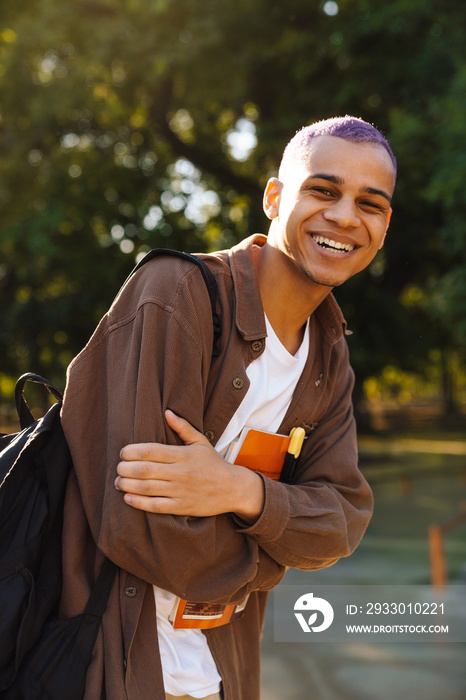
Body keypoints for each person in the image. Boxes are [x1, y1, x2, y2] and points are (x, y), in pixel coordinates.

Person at [60, 115, 396, 700]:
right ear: (274, 196)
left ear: (384, 225)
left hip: (219, 676)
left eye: (370, 203)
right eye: (323, 190)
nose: (344, 216)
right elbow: (140, 527)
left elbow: (342, 519)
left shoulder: (329, 358)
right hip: (111, 666)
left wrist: (243, 493)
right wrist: (270, 558)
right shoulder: (176, 296)